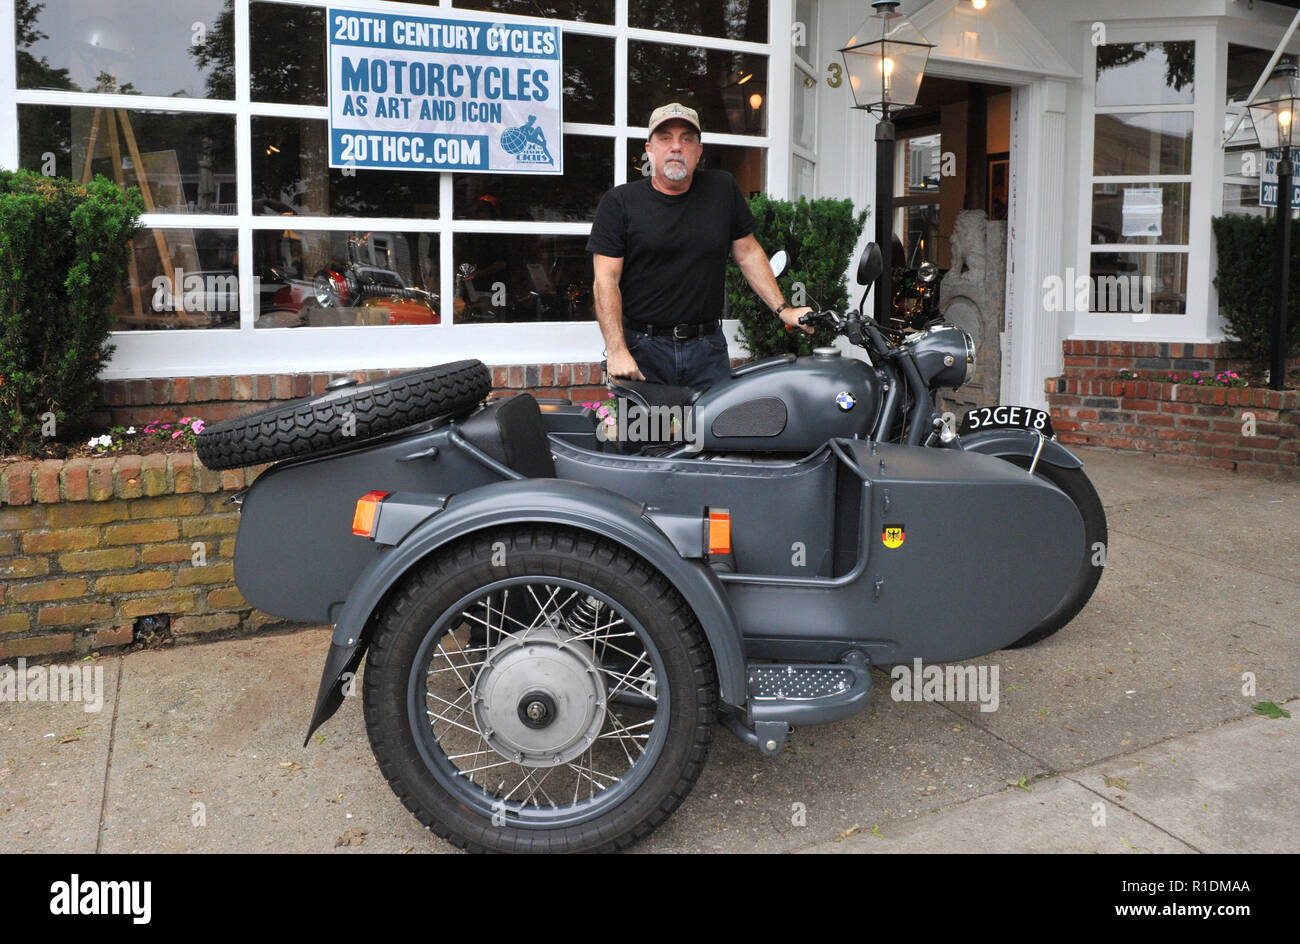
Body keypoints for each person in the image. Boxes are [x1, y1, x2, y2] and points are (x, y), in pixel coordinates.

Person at [586, 103, 813, 388]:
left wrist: (784, 309)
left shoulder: (722, 189)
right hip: (644, 349)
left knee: (714, 432)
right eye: (665, 137)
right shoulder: (620, 203)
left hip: (707, 350)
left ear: (699, 151)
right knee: (647, 432)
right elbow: (605, 281)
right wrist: (617, 350)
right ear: (650, 149)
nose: (677, 147)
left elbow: (748, 252)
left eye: (687, 139)